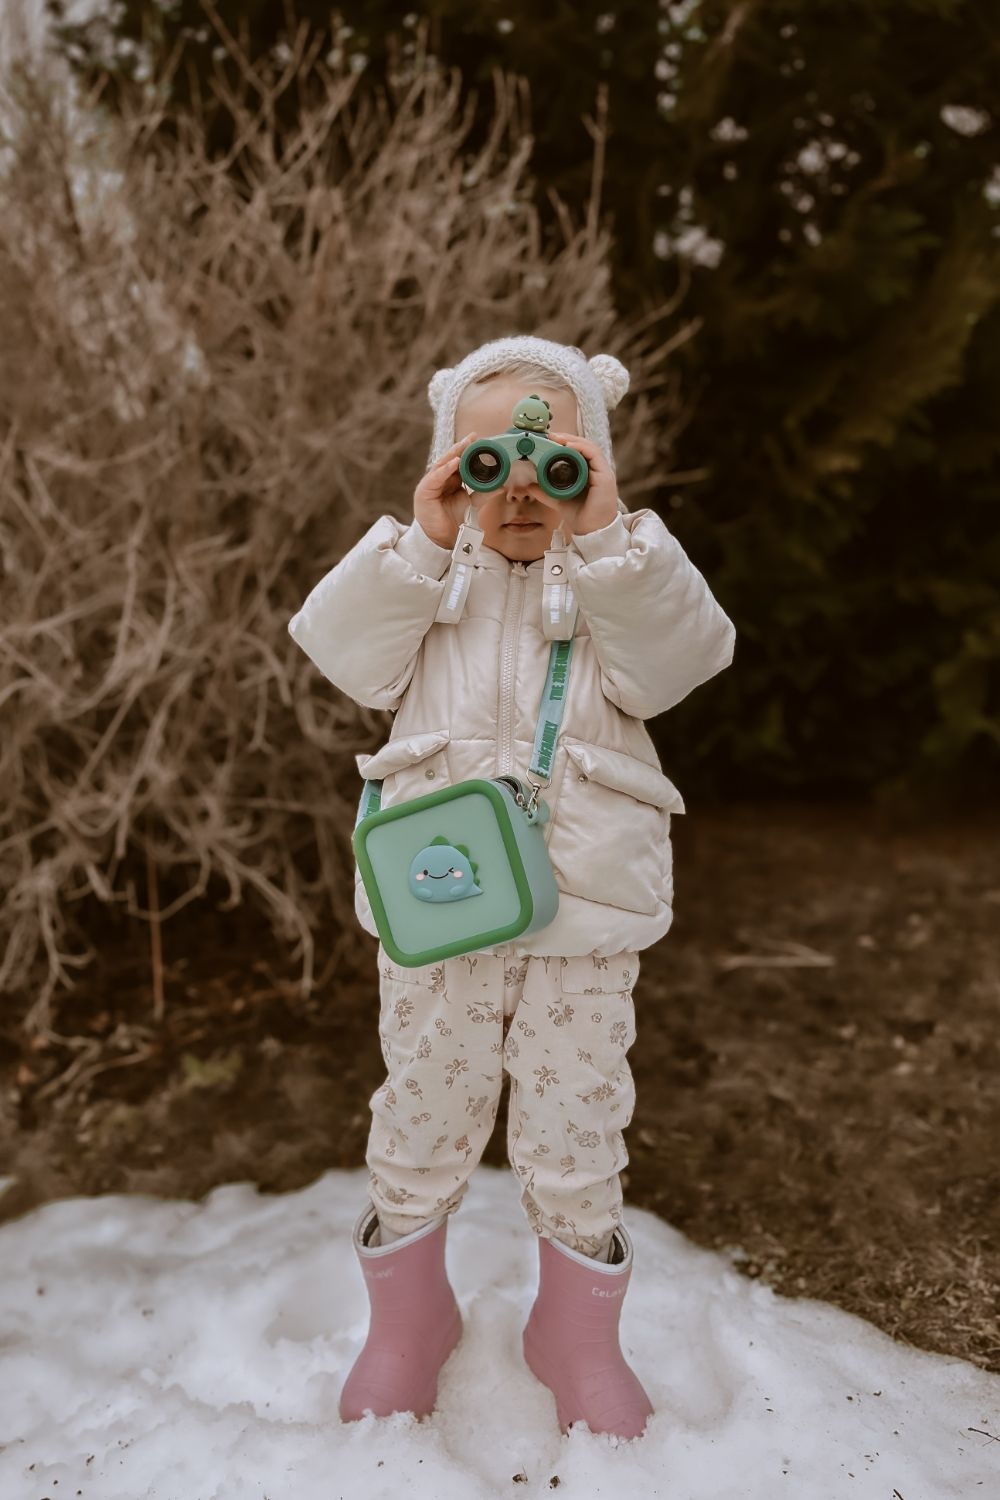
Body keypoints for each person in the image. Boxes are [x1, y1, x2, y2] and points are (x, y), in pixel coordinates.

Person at [287, 335, 736, 1439]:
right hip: (441, 903)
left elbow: (686, 660)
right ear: (451, 465)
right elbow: (338, 652)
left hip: (580, 911)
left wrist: (614, 538)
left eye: (552, 461)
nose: (522, 488)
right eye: (487, 462)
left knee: (577, 1119)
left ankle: (574, 1338)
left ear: (593, 462)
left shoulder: (614, 578)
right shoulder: (427, 575)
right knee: (422, 1105)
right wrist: (423, 538)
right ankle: (408, 1323)